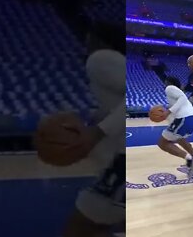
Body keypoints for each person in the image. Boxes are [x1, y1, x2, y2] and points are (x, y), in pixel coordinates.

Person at [62, 22, 126, 237]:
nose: (85, 44)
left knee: (80, 227)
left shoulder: (100, 58)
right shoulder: (113, 62)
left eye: (89, 39)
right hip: (120, 157)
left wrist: (97, 131)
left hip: (123, 159)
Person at [157, 76, 193, 173]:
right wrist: (167, 115)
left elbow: (182, 98)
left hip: (185, 117)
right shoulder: (174, 98)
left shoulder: (169, 88)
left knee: (162, 143)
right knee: (179, 138)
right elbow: (176, 110)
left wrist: (168, 112)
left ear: (168, 82)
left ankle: (190, 159)